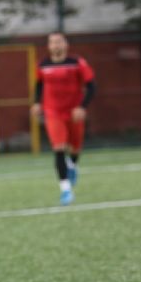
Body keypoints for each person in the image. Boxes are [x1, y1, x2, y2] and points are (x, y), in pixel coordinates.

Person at [30, 32, 96, 206]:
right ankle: (65, 190)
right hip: (53, 112)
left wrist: (82, 106)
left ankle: (72, 165)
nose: (56, 45)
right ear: (48, 46)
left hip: (74, 112)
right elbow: (39, 84)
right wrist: (37, 103)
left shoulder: (77, 63)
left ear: (66, 44)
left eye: (59, 42)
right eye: (52, 42)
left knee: (75, 149)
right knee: (58, 148)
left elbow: (91, 86)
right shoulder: (42, 65)